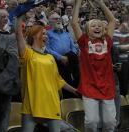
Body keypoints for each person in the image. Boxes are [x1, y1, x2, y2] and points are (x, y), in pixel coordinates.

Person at [15, 15, 77, 132]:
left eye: (46, 34)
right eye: (43, 33)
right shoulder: (28, 53)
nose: (46, 36)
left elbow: (58, 80)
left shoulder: (50, 57)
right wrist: (19, 18)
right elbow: (19, 36)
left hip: (51, 104)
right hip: (31, 105)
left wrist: (75, 91)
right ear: (33, 35)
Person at [72, 0, 117, 131]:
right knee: (92, 121)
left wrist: (100, 3)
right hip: (89, 86)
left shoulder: (107, 41)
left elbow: (112, 21)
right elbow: (74, 23)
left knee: (110, 122)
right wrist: (78, 3)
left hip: (107, 86)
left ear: (103, 29)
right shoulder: (84, 41)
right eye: (93, 25)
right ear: (87, 30)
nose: (97, 27)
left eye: (99, 25)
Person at [46, 12, 79, 98]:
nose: (58, 20)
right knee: (60, 88)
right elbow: (47, 49)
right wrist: (61, 57)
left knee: (74, 83)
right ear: (49, 22)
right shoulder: (47, 34)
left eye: (59, 18)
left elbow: (74, 47)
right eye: (55, 18)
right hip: (56, 64)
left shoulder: (66, 33)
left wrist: (70, 57)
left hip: (70, 63)